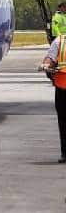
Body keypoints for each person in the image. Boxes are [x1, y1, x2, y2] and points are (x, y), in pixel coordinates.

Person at [39, 33, 66, 163]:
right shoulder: (60, 41)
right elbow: (49, 59)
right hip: (63, 88)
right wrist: (45, 65)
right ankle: (65, 153)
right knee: (63, 122)